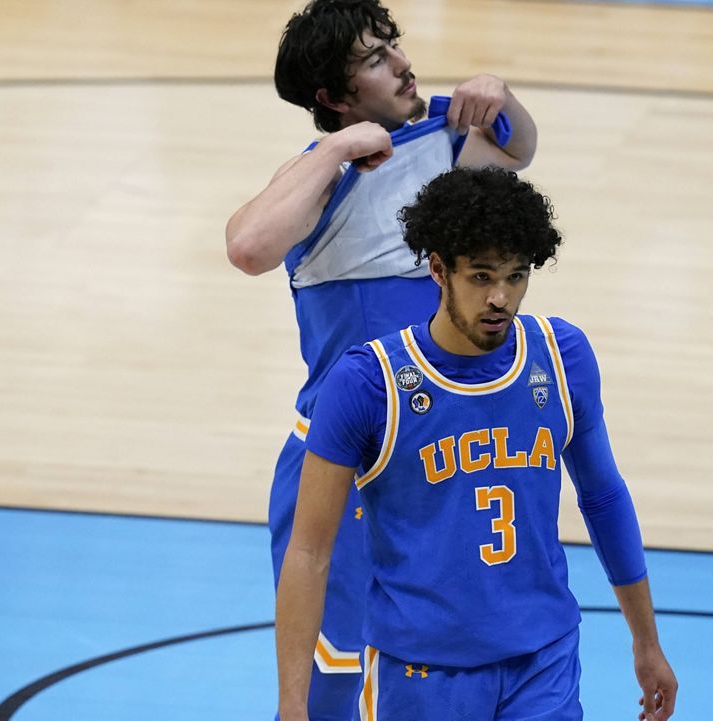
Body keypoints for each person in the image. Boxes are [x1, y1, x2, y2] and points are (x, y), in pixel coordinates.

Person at [225, 1, 538, 718]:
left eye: (393, 46)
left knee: (435, 668)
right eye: (374, 59)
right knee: (340, 679)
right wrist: (335, 149)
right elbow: (248, 248)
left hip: (437, 453)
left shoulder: (443, 138)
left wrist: (501, 94)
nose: (401, 63)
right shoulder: (317, 178)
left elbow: (518, 146)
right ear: (334, 99)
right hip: (345, 459)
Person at [275, 166, 678, 721]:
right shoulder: (369, 383)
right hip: (419, 673)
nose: (500, 297)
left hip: (544, 659)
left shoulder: (562, 357)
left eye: (516, 276)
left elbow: (604, 499)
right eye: (482, 276)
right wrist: (293, 703)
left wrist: (646, 641)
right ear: (438, 269)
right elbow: (309, 551)